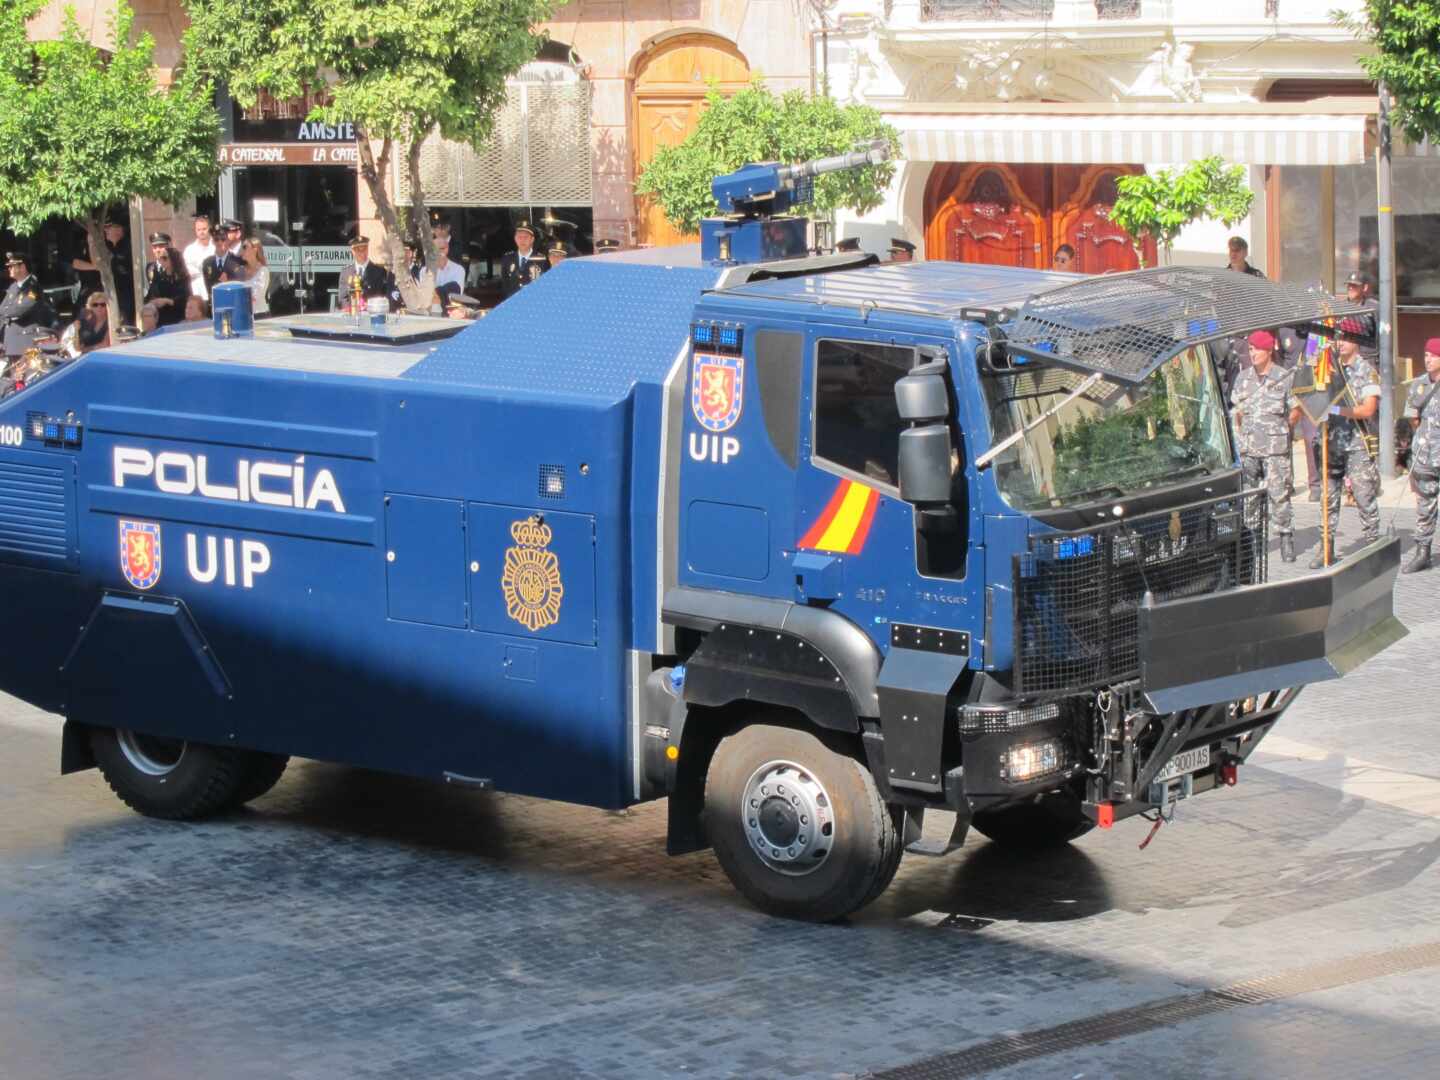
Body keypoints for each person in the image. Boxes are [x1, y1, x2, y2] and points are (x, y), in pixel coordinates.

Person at [1312, 319, 1382, 568]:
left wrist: (1338, 409)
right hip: (1331, 443)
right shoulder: (1328, 369)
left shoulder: (1367, 371)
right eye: (1338, 337)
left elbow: (1368, 409)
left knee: (1364, 498)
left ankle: (1374, 547)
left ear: (1356, 341)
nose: (1339, 343)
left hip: (1356, 446)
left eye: (1344, 338)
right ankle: (1326, 547)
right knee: (1328, 499)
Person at [1231, 330, 1299, 563]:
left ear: (1269, 350)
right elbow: (1237, 412)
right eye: (1250, 349)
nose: (1253, 353)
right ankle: (1254, 540)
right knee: (1250, 497)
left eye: (1257, 349)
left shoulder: (1284, 377)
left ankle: (1286, 537)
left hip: (1274, 448)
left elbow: (1295, 411)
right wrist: (1242, 437)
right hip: (1249, 448)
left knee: (1279, 494)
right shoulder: (1243, 378)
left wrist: (1279, 432)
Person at [1402, 338, 1440, 573]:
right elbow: (1412, 416)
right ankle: (1422, 552)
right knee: (1425, 505)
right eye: (1426, 355)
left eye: (1433, 356)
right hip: (1426, 456)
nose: (1427, 360)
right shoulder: (1418, 384)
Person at [2, 252, 58, 360]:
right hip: (11, 342)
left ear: (22, 267)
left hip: (25, 341)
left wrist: (6, 312)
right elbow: (2, 309)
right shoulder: (13, 287)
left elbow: (20, 310)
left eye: (11, 266)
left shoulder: (33, 287)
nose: (9, 269)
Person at [336, 233, 397, 310]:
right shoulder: (346, 272)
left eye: (364, 249)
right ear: (352, 251)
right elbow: (342, 298)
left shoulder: (379, 272)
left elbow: (382, 296)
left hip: (372, 314)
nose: (362, 253)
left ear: (367, 249)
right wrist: (351, 308)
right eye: (358, 250)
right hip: (351, 316)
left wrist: (368, 306)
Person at [142, 232, 190, 327]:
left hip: (177, 318)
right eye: (155, 247)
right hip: (160, 318)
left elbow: (185, 297)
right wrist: (150, 302)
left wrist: (167, 301)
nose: (158, 250)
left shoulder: (181, 274)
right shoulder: (151, 269)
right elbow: (152, 291)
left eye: (161, 246)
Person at [499, 221, 546, 299]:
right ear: (515, 239)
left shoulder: (542, 260)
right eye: (519, 237)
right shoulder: (507, 259)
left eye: (526, 237)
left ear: (532, 239)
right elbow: (505, 285)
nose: (522, 240)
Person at [183, 213, 217, 304]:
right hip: (196, 293)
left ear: (209, 228)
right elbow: (188, 272)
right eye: (198, 230)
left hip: (214, 293)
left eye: (204, 229)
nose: (201, 232)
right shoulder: (189, 250)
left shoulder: (216, 247)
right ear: (195, 230)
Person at [241, 235, 271, 317]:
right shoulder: (241, 270)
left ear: (255, 249)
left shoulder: (263, 271)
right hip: (244, 314)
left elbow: (256, 296)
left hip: (259, 314)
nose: (242, 250)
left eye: (245, 247)